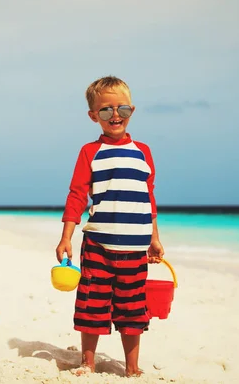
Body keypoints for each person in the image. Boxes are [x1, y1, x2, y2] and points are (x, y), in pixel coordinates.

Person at [55, 76, 165, 378]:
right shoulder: (90, 152)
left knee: (133, 306)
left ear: (132, 111)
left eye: (122, 109)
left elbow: (148, 198)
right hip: (98, 245)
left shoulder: (143, 151)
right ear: (93, 116)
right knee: (92, 301)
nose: (115, 116)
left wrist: (154, 238)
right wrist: (66, 236)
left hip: (136, 247)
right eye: (105, 111)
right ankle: (87, 362)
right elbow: (77, 194)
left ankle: (132, 367)